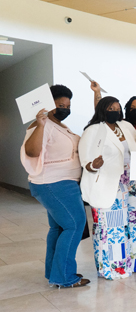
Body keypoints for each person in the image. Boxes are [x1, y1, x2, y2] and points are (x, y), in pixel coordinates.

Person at [21, 85, 89, 288]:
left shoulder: (58, 125)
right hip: (55, 184)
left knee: (58, 227)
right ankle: (65, 276)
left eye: (68, 105)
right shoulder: (41, 125)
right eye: (61, 105)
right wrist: (41, 124)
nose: (65, 109)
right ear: (49, 105)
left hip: (60, 184)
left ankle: (54, 271)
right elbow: (32, 152)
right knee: (74, 225)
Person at [79, 97, 136, 280]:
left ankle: (135, 264)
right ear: (102, 109)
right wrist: (93, 164)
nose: (115, 111)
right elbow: (85, 160)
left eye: (117, 108)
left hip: (134, 182)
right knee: (114, 227)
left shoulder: (127, 126)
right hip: (110, 184)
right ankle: (115, 268)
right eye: (110, 108)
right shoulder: (92, 130)